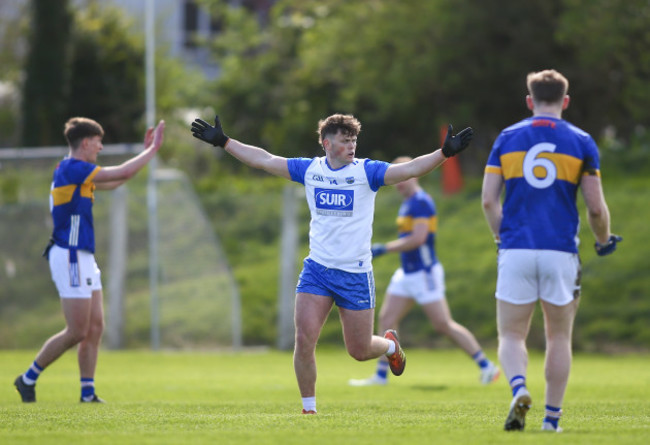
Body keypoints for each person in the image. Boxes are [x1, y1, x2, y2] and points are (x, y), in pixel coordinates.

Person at [191, 113, 473, 414]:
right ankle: (309, 410)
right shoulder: (310, 170)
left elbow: (410, 169)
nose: (352, 146)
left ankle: (390, 346)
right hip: (318, 270)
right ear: (326, 143)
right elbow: (264, 159)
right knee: (303, 338)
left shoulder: (368, 172)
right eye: (344, 141)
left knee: (360, 351)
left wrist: (444, 153)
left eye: (354, 141)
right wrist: (224, 142)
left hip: (355, 274)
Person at [481, 69, 622, 432]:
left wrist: (502, 239)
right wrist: (604, 240)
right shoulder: (582, 141)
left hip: (516, 250)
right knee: (559, 336)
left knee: (511, 334)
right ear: (566, 101)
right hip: (561, 251)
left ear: (530, 101)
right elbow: (595, 208)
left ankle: (518, 388)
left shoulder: (507, 137)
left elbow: (488, 201)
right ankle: (551, 421)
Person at [14, 117, 165, 403]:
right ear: (85, 143)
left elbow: (122, 178)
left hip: (82, 255)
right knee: (76, 331)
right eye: (98, 142)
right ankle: (27, 378)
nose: (101, 147)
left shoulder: (79, 173)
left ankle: (87, 392)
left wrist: (144, 155)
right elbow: (121, 170)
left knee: (95, 327)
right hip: (69, 254)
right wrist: (153, 150)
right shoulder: (72, 168)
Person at [349, 156, 500, 387]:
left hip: (424, 273)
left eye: (403, 178)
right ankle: (381, 375)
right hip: (407, 273)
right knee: (387, 318)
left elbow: (418, 239)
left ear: (414, 176)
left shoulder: (421, 202)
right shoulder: (407, 202)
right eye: (397, 180)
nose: (399, 183)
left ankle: (486, 366)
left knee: (443, 324)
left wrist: (384, 248)